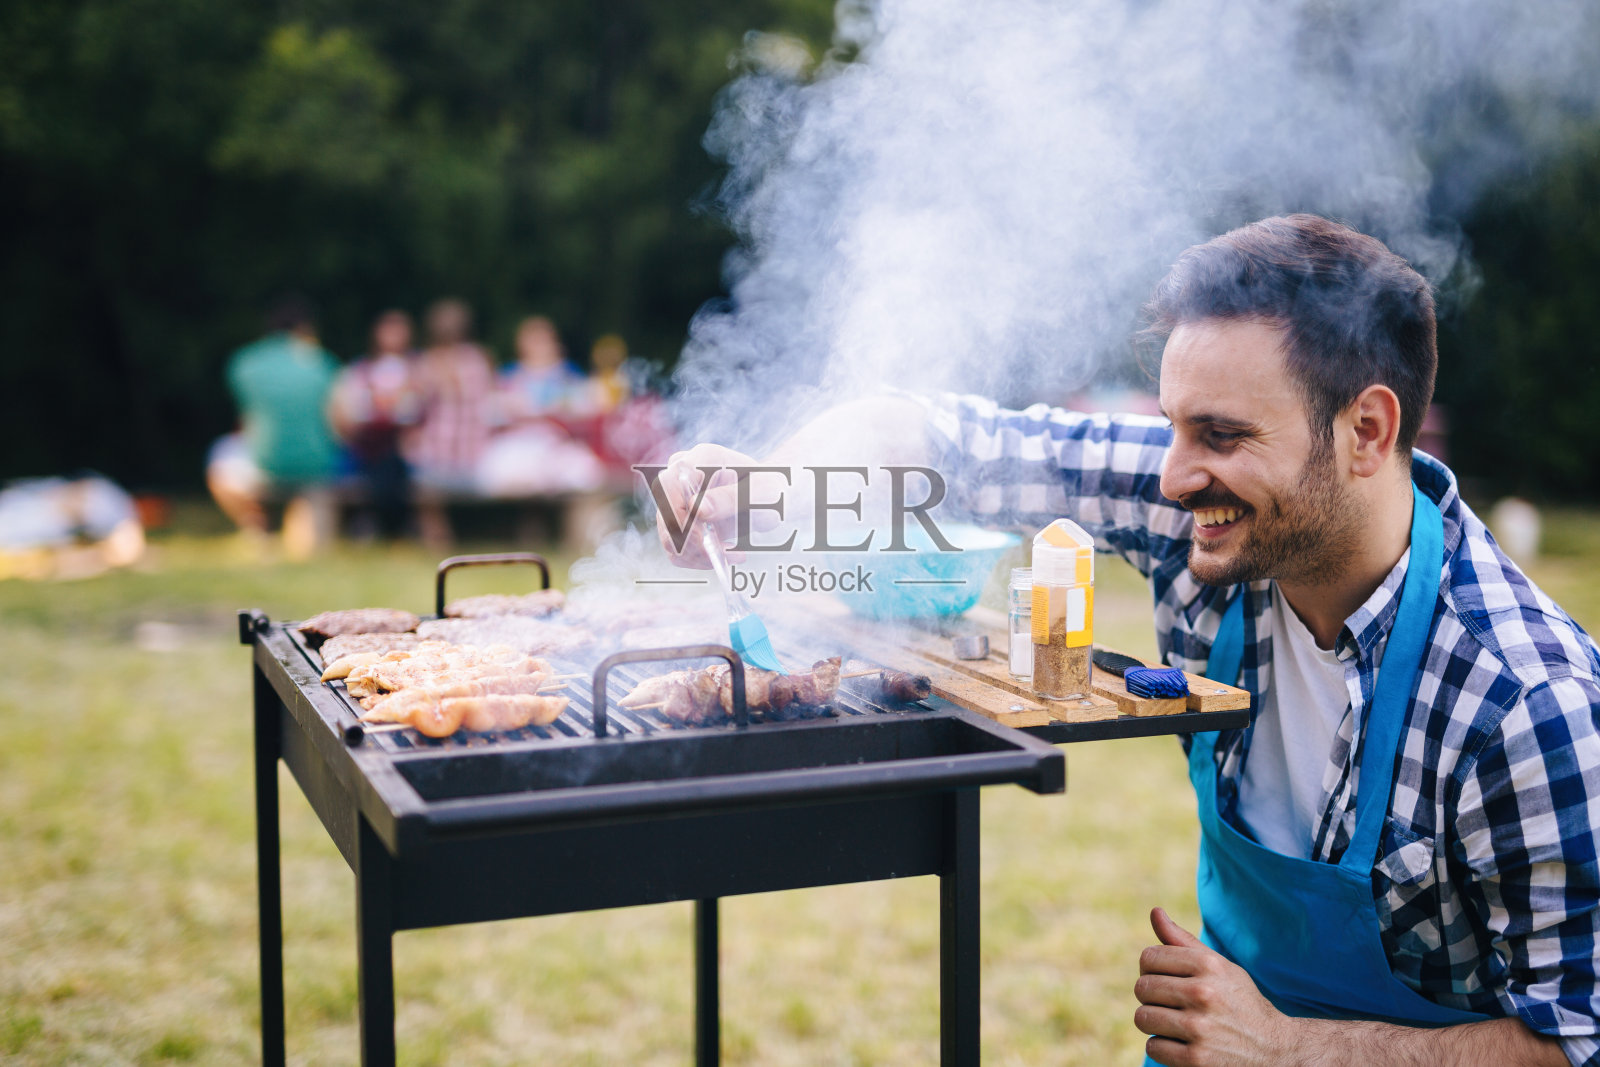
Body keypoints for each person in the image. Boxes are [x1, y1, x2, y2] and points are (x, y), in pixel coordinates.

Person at [655, 215, 1600, 1064]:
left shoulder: (1527, 702)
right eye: (1171, 428)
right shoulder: (1214, 518)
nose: (1176, 477)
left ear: (1366, 429)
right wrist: (771, 479)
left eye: (1220, 436)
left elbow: (1577, 1039)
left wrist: (1287, 1049)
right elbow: (956, 437)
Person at [208, 294, 340, 557]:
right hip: (315, 466)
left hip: (265, 462)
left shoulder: (244, 363)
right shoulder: (322, 363)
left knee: (219, 459)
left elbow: (247, 418)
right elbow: (337, 422)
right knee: (309, 544)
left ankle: (255, 524)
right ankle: (296, 526)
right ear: (305, 328)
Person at [405, 298, 500, 548]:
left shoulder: (427, 364)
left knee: (414, 470)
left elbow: (411, 408)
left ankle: (437, 543)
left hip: (441, 463)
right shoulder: (481, 360)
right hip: (479, 459)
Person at [329, 309, 421, 538]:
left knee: (393, 458)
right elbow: (346, 415)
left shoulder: (421, 368)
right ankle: (390, 523)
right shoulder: (359, 370)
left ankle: (378, 522)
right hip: (369, 444)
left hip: (409, 447)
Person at [502, 315, 584, 417]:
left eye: (543, 340)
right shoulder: (509, 373)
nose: (539, 346)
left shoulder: (568, 371)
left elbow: (583, 403)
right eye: (535, 341)